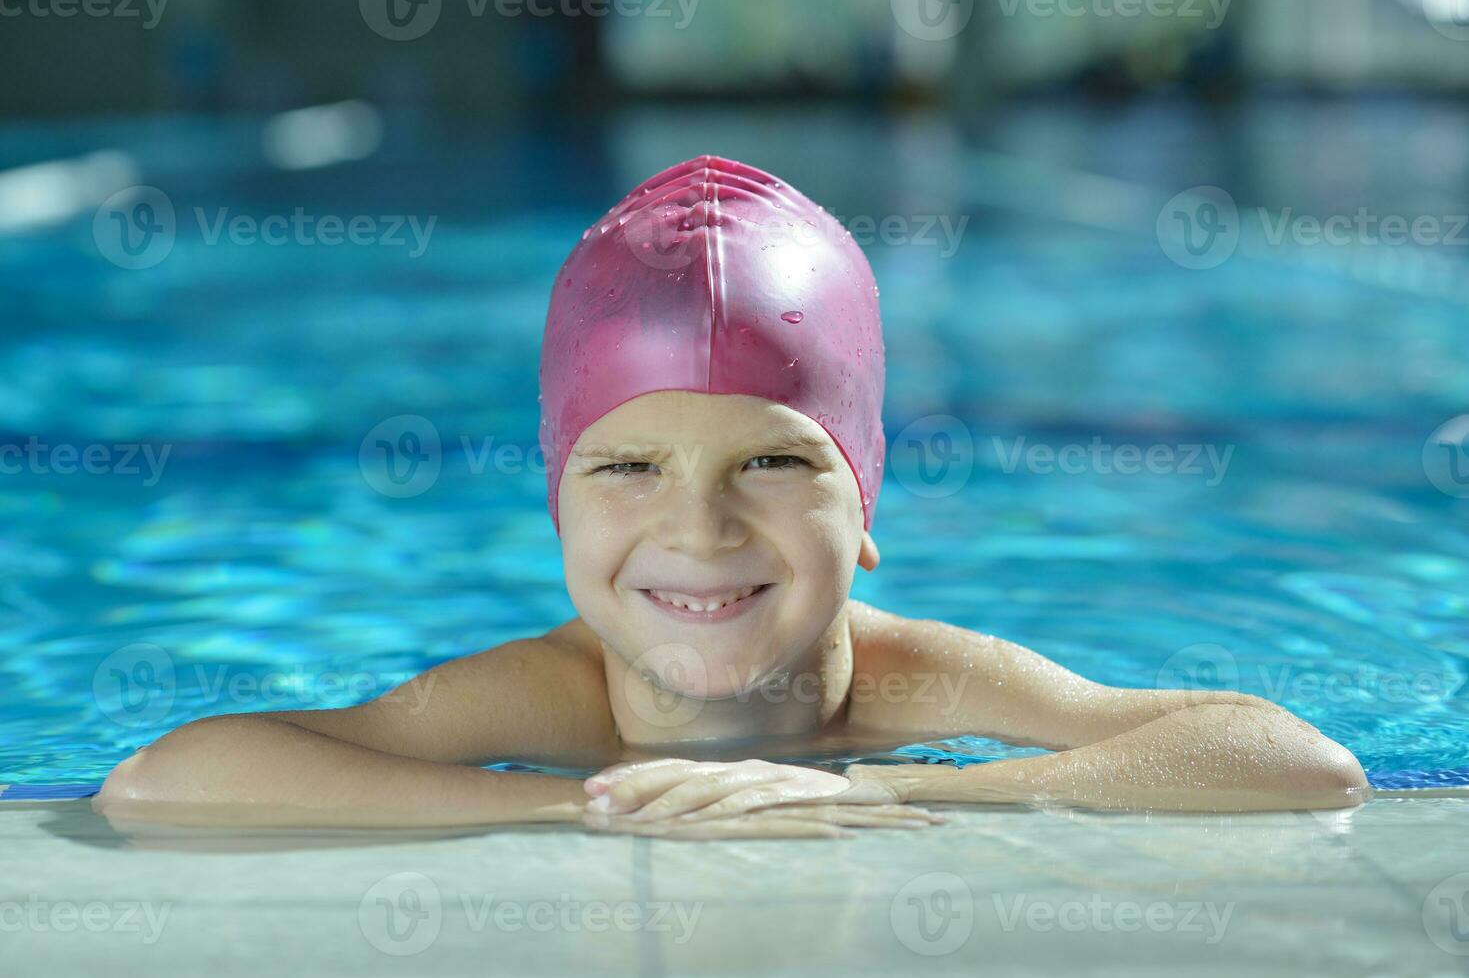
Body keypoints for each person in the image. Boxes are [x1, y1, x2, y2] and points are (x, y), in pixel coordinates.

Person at [95, 156, 1369, 839]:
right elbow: (162, 778)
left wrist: (875, 790)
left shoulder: (913, 682)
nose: (697, 531)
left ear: (863, 506)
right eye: (626, 465)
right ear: (559, 509)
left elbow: (1294, 758)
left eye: (771, 459)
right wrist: (591, 805)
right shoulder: (548, 697)